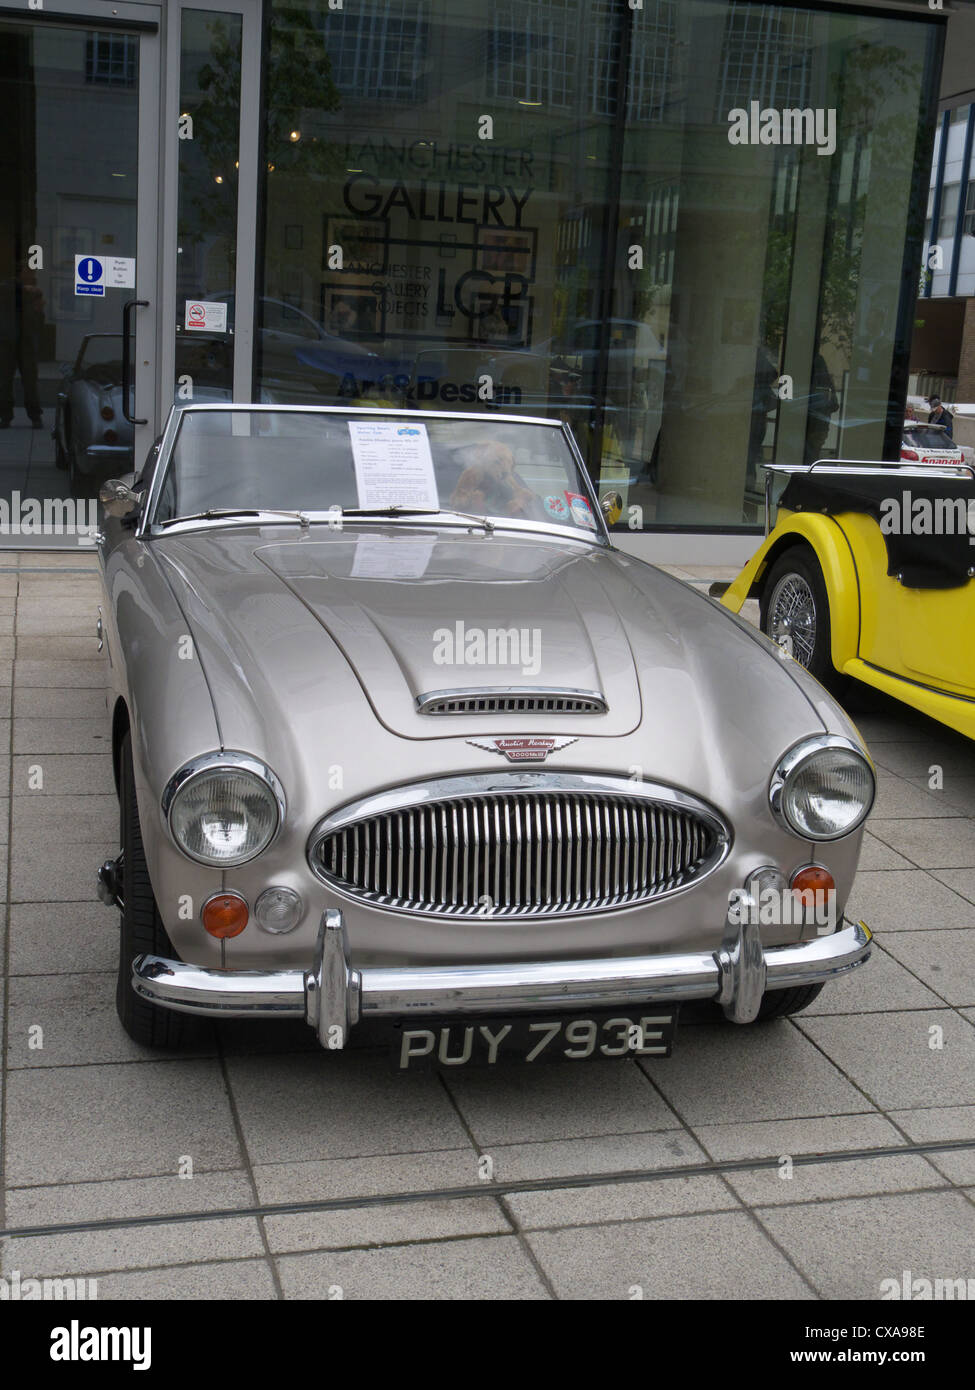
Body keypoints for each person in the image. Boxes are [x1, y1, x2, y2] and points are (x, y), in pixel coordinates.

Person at [0, 262, 44, 428]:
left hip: (25, 342)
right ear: (22, 272)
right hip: (7, 341)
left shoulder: (35, 292)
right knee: (4, 381)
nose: (33, 275)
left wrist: (39, 312)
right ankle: (5, 416)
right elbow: (6, 289)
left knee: (30, 381)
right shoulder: (8, 287)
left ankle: (35, 416)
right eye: (30, 271)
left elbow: (39, 319)